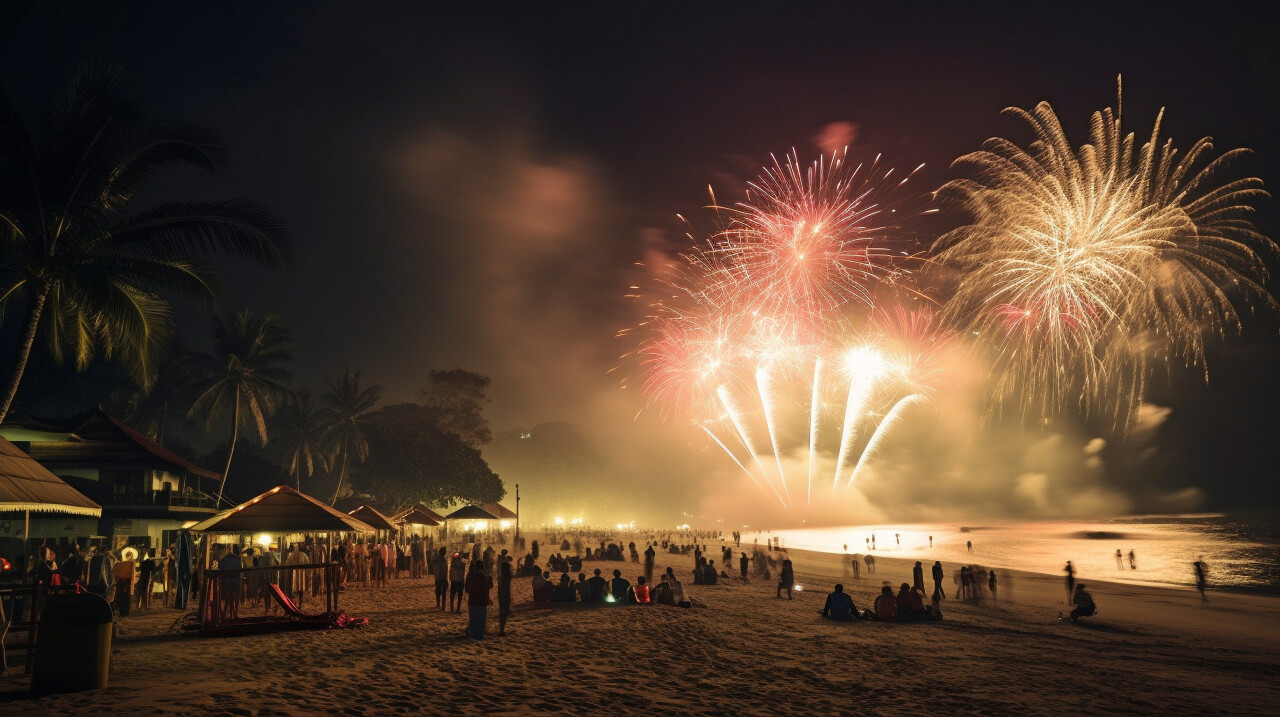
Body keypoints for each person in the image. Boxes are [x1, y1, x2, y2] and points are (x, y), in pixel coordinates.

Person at [465, 559, 492, 639]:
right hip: (482, 602)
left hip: (472, 602)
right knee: (481, 621)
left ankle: (473, 635)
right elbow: (490, 585)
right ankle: (479, 636)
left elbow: (467, 589)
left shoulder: (470, 576)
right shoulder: (484, 577)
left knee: (473, 621)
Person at [498, 560, 513, 635]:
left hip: (502, 596)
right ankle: (501, 630)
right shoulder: (506, 577)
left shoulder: (501, 576)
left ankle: (501, 630)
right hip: (505, 595)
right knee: (504, 614)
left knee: (502, 614)